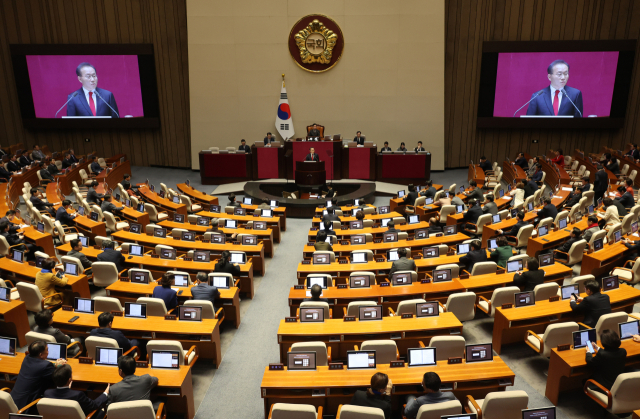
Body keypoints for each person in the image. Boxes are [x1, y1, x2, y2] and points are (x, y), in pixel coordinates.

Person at [11, 340, 66, 411]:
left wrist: (54, 365)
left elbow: (39, 366)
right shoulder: (45, 366)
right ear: (41, 355)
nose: (48, 352)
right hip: (25, 407)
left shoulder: (27, 358)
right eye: (47, 350)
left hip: (12, 400)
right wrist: (59, 366)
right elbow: (57, 377)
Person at [44, 364, 108, 418]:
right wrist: (105, 393)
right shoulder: (77, 395)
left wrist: (67, 389)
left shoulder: (47, 393)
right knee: (101, 412)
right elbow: (94, 405)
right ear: (70, 379)